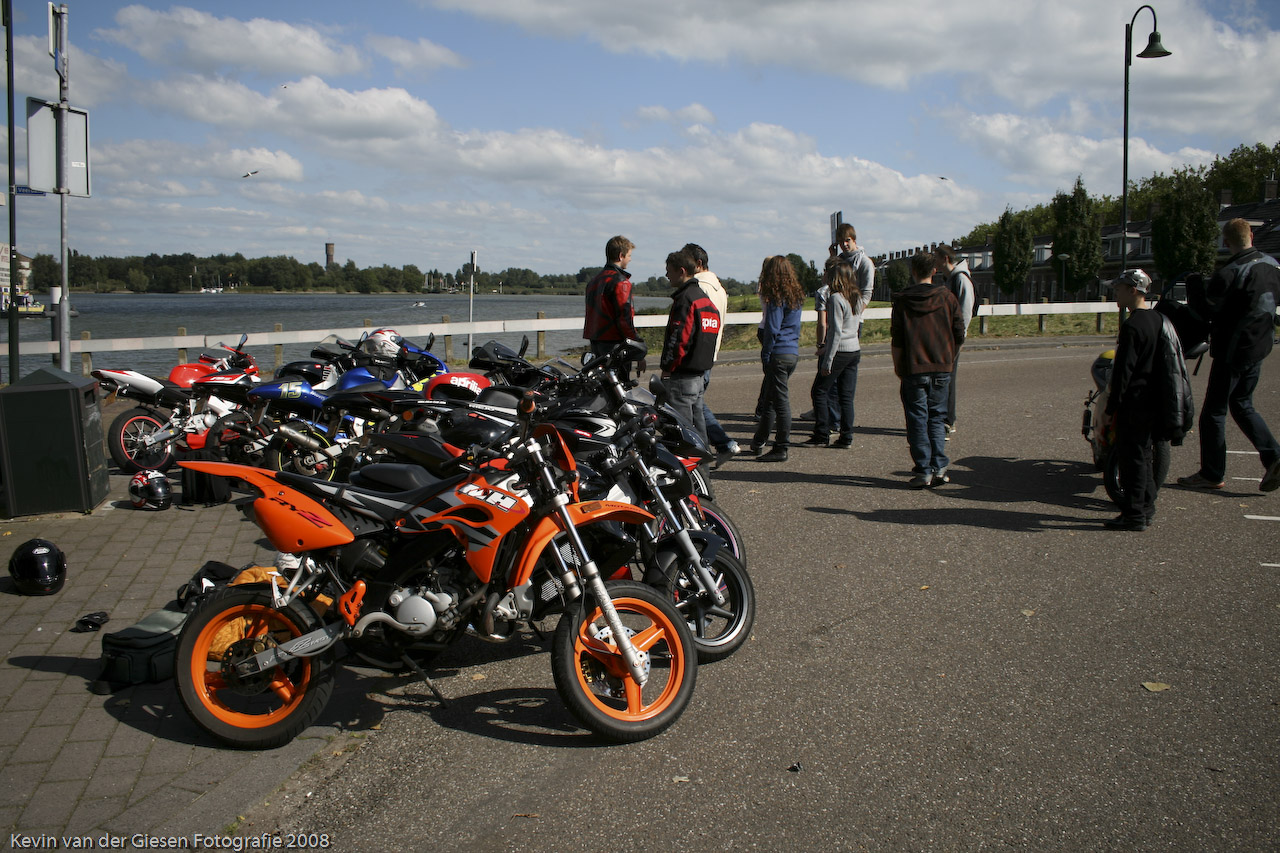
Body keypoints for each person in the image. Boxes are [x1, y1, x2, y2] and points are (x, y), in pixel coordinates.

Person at [1177, 218, 1280, 493]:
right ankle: (1274, 456)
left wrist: (1194, 284)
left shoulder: (1230, 273)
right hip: (1260, 346)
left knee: (1213, 413)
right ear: (1252, 235)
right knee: (1243, 404)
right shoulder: (1273, 265)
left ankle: (1212, 473)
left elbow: (1204, 313)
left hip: (1233, 350)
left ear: (1226, 242)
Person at [1099, 269, 1181, 530]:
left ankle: (1134, 514)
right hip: (1154, 400)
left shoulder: (1132, 326)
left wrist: (1111, 408)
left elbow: (1124, 372)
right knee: (1145, 457)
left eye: (1119, 289)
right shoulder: (1158, 320)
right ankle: (1146, 507)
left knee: (1132, 459)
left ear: (1132, 291)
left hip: (1134, 402)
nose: (1115, 293)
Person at [890, 251, 964, 487]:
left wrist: (898, 366)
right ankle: (939, 465)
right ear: (934, 271)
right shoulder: (947, 297)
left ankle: (923, 468)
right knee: (937, 416)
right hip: (942, 363)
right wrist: (950, 354)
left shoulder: (902, 300)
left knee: (917, 418)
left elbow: (897, 339)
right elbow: (959, 332)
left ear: (913, 271)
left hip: (914, 365)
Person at [683, 242, 740, 467]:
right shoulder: (720, 288)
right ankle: (719, 446)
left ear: (698, 263)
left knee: (694, 406)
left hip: (698, 357)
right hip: (710, 354)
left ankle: (719, 445)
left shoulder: (700, 288)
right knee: (698, 404)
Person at [660, 250, 721, 444]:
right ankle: (702, 471)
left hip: (682, 375)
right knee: (699, 429)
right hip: (700, 373)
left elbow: (679, 339)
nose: (667, 275)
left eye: (669, 271)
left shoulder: (686, 299)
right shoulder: (705, 300)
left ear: (682, 271)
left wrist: (667, 368)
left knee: (682, 432)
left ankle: (689, 471)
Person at [807, 260, 865, 449]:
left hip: (840, 351)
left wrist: (827, 359)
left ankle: (822, 432)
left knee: (819, 391)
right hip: (854, 350)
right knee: (846, 397)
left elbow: (835, 332)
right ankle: (846, 436)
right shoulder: (856, 297)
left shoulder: (836, 298)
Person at [752, 255, 804, 462]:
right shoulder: (796, 296)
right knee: (771, 400)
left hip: (779, 353)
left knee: (780, 403)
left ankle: (781, 446)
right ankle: (759, 440)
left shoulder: (776, 297)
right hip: (792, 352)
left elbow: (772, 328)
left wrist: (766, 354)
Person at [583, 235, 644, 376]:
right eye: (629, 255)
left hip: (596, 342)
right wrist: (637, 347)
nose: (630, 259)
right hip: (615, 345)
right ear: (621, 256)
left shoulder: (593, 281)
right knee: (619, 388)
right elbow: (624, 319)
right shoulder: (621, 283)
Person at [934, 244, 975, 437]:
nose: (934, 262)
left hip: (953, 338)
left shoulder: (960, 279)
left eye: (937, 257)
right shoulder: (950, 279)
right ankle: (945, 418)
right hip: (947, 336)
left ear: (945, 259)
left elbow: (965, 310)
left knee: (949, 379)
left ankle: (948, 420)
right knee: (945, 377)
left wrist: (959, 337)